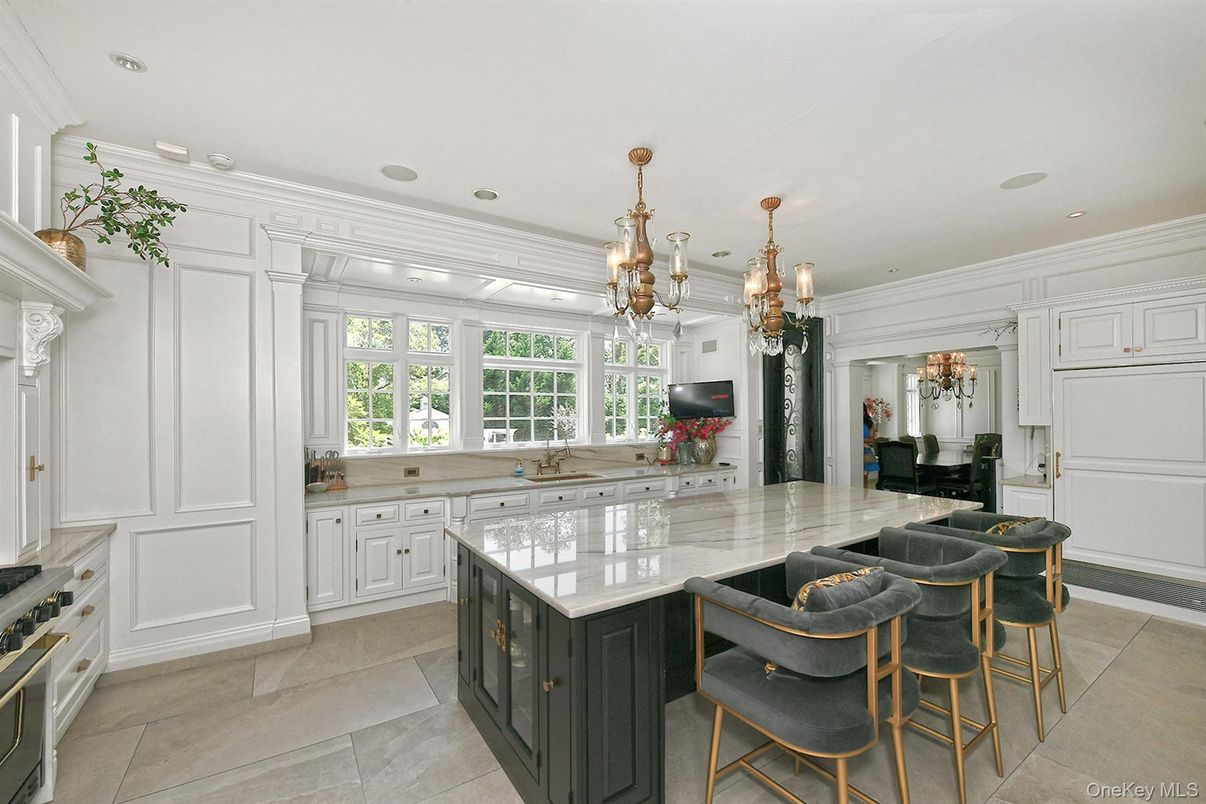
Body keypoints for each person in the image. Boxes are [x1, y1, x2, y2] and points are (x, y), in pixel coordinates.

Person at [863, 407, 879, 486]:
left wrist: (860, 440)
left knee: (864, 479)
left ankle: (864, 493)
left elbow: (872, 439)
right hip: (854, 452)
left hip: (866, 453)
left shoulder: (870, 423)